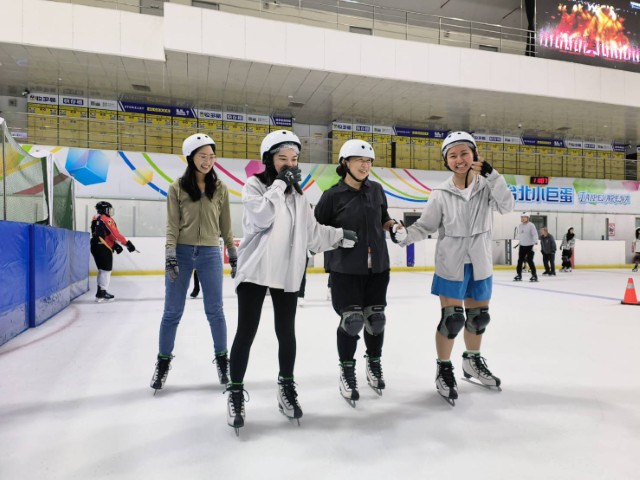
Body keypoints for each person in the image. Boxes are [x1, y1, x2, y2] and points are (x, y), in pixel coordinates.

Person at [226, 130, 357, 433]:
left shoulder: (298, 196)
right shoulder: (254, 186)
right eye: (282, 159)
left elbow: (313, 234)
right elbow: (261, 218)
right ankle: (235, 392)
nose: (289, 164)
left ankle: (286, 386)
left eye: (294, 159)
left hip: (287, 272)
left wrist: (339, 236)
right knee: (246, 332)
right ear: (269, 160)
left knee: (286, 333)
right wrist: (279, 185)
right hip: (256, 271)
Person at [395, 131, 514, 405]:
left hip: (480, 263)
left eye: (464, 153)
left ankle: (472, 361)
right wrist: (404, 236)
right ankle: (444, 368)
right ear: (446, 161)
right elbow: (425, 226)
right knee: (452, 320)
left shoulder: (487, 186)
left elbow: (507, 206)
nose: (459, 160)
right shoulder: (440, 194)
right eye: (452, 156)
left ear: (474, 155)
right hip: (451, 264)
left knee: (478, 318)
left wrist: (494, 176)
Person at [314, 138, 401, 405]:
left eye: (369, 162)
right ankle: (347, 371)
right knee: (352, 321)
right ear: (345, 163)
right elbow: (316, 231)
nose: (365, 166)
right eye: (360, 161)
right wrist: (337, 237)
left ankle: (373, 363)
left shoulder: (376, 190)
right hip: (345, 269)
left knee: (376, 320)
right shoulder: (332, 196)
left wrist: (393, 226)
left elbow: (383, 217)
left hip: (378, 268)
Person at [150, 133, 237, 393]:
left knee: (215, 311)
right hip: (182, 252)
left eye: (211, 157)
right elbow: (172, 225)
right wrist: (170, 254)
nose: (208, 161)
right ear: (190, 158)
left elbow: (226, 225)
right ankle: (163, 363)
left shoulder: (220, 188)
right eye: (202, 156)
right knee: (172, 312)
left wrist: (232, 253)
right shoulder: (176, 188)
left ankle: (223, 362)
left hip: (210, 253)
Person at [90, 201, 136, 302]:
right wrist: (127, 243)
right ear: (104, 210)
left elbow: (102, 234)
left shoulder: (96, 218)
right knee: (106, 270)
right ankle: (102, 293)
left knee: (102, 270)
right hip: (102, 247)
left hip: (95, 245)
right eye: (108, 209)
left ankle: (100, 292)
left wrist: (113, 244)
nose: (110, 211)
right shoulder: (106, 219)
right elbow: (115, 234)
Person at [514, 212, 538, 282]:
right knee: (520, 261)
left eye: (523, 217)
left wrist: (535, 243)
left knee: (530, 260)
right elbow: (521, 235)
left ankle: (534, 275)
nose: (522, 218)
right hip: (522, 246)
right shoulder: (520, 225)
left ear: (527, 218)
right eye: (521, 217)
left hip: (530, 246)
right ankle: (519, 274)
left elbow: (535, 234)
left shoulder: (531, 225)